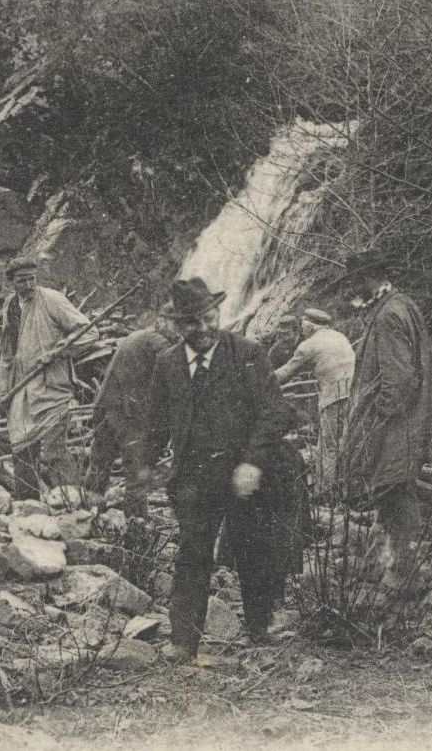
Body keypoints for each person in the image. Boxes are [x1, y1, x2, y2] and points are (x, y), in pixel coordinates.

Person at [145, 277, 300, 663]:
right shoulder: (167, 364)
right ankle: (184, 641)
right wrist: (143, 467)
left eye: (209, 317)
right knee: (192, 555)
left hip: (242, 475)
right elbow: (156, 422)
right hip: (193, 480)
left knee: (252, 550)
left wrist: (252, 462)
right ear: (177, 326)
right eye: (192, 323)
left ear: (218, 313)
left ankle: (260, 628)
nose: (203, 329)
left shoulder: (246, 353)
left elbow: (275, 412)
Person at [337, 250, 432, 598]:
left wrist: (376, 418)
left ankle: (404, 575)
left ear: (367, 279)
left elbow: (400, 378)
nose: (353, 289)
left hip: (396, 425)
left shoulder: (388, 314)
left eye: (355, 282)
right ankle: (395, 567)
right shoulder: (401, 304)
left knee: (394, 490)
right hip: (405, 421)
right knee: (395, 491)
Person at [0, 256, 94, 500]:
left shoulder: (51, 300)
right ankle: (28, 506)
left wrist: (60, 350)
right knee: (22, 451)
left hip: (51, 389)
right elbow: (7, 354)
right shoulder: (11, 307)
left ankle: (76, 505)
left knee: (54, 451)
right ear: (10, 283)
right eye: (21, 281)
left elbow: (89, 331)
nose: (28, 286)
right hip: (22, 390)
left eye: (31, 279)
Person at [88, 308, 176, 514]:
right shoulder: (160, 344)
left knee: (100, 463)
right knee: (137, 472)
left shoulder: (137, 336)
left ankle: (90, 514)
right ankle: (136, 529)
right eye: (176, 324)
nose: (179, 331)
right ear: (162, 321)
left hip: (104, 406)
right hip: (127, 414)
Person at [274, 307, 355, 491]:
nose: (302, 330)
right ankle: (345, 488)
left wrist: (258, 376)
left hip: (333, 398)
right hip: (353, 394)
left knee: (328, 446)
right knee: (344, 442)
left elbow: (285, 373)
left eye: (303, 326)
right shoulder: (339, 336)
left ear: (310, 327)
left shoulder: (309, 345)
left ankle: (325, 492)